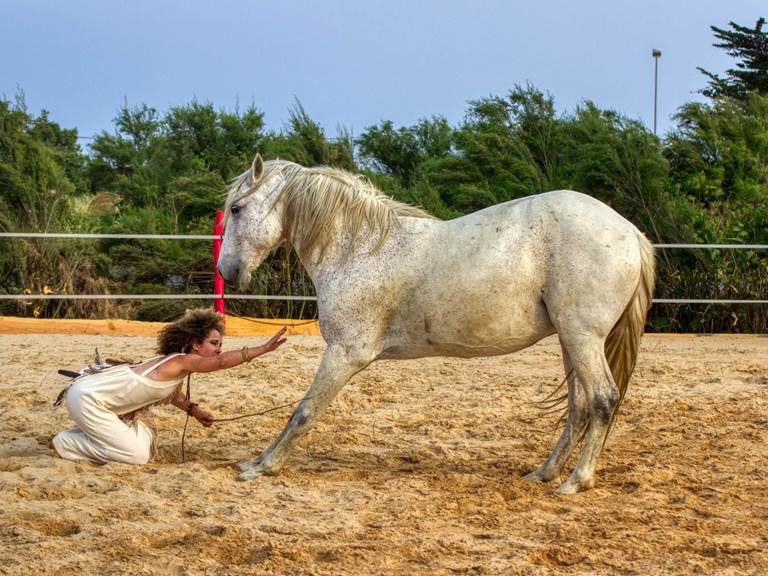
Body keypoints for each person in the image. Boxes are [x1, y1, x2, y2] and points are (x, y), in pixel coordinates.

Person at [52, 308, 287, 465]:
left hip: (88, 398)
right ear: (194, 344)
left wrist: (194, 412)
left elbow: (173, 395)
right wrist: (263, 349)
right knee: (138, 455)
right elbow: (221, 362)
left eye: (220, 344)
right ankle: (66, 442)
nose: (218, 349)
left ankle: (87, 438)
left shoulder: (176, 365)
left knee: (137, 450)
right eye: (213, 343)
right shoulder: (180, 360)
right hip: (88, 400)